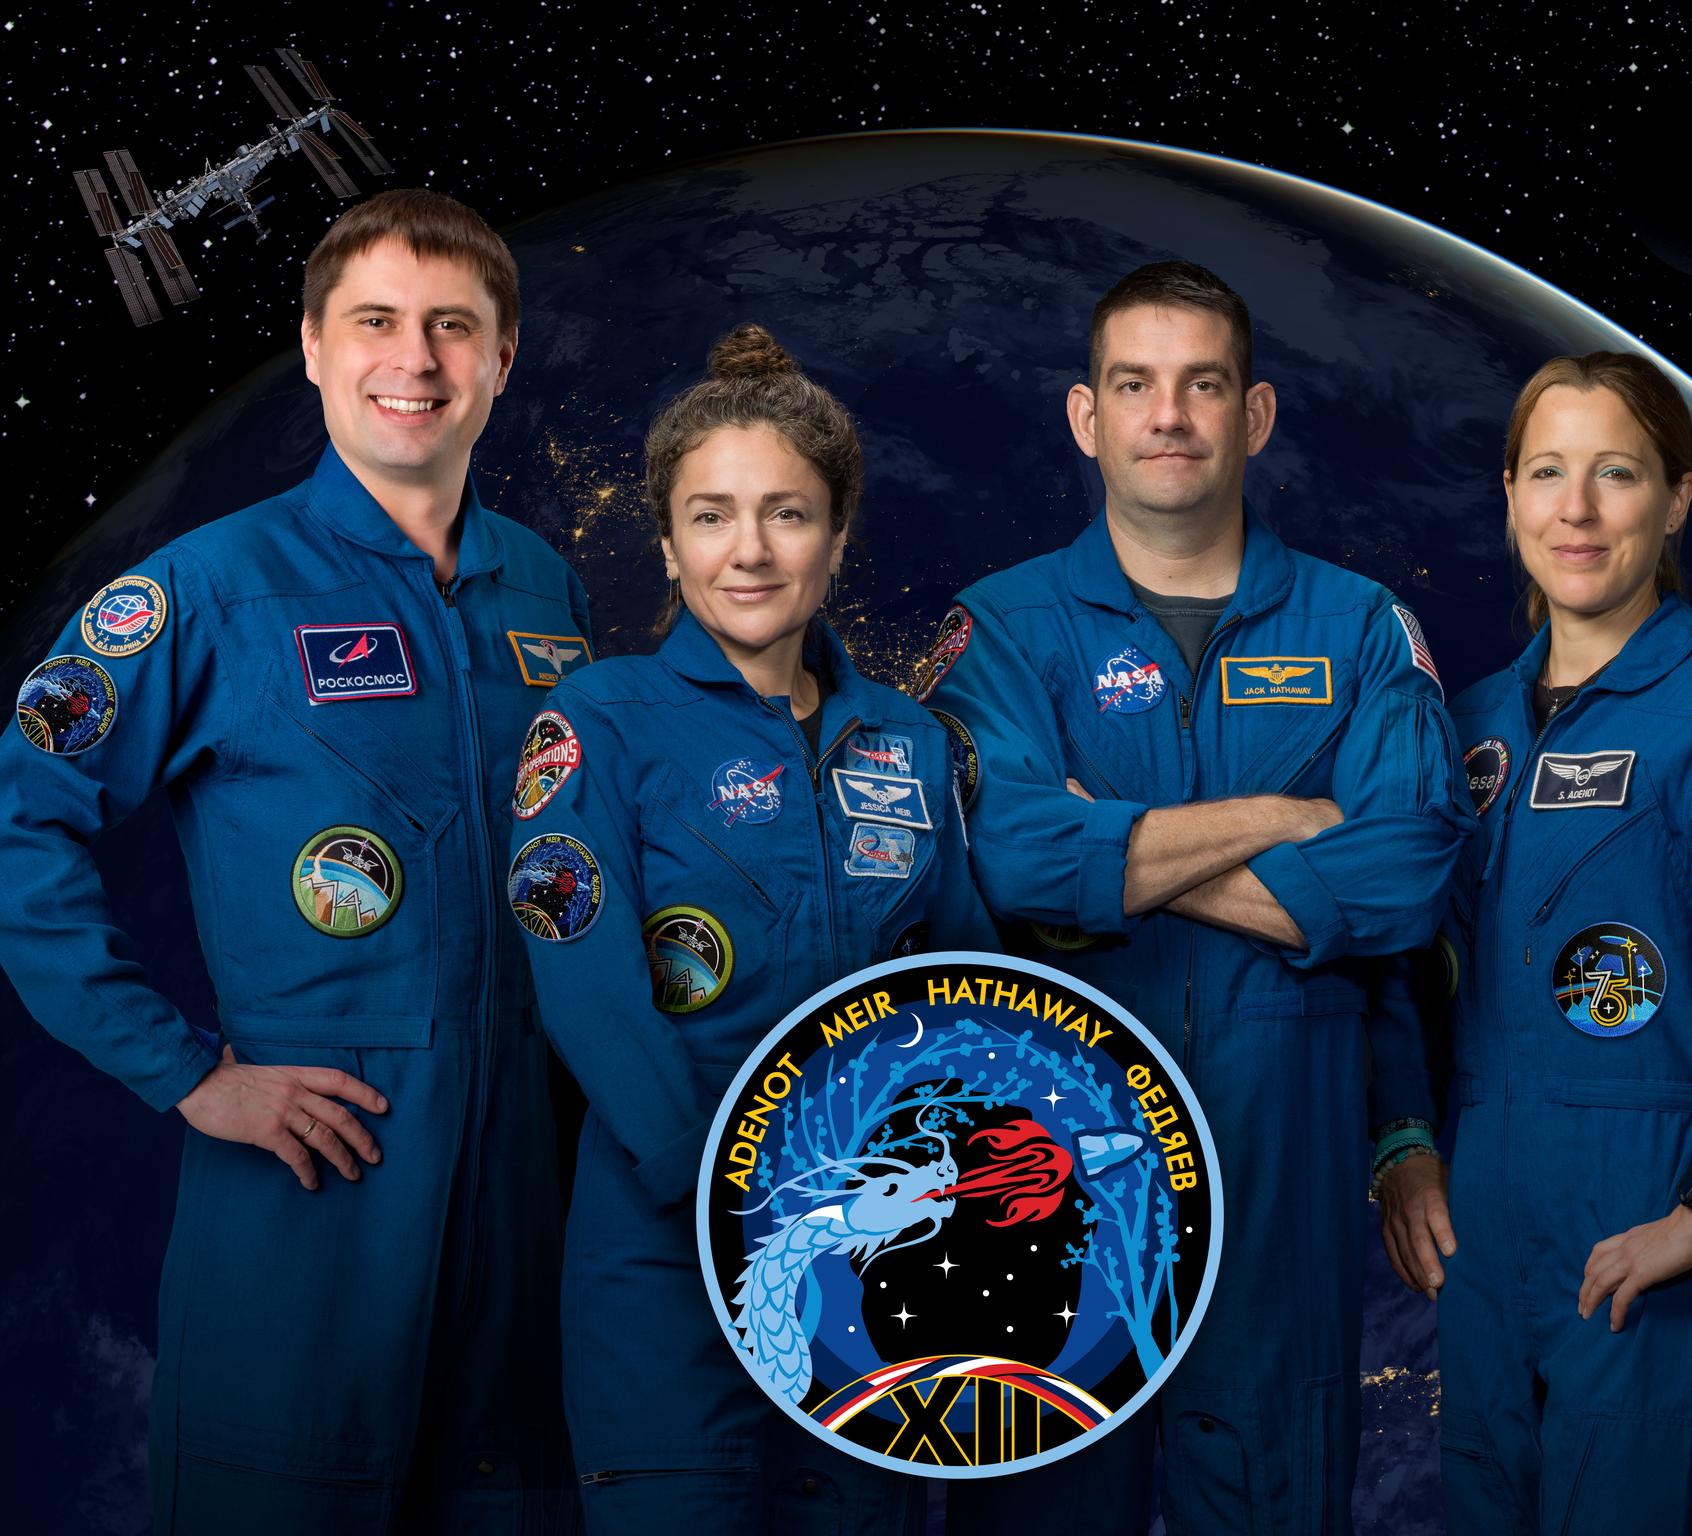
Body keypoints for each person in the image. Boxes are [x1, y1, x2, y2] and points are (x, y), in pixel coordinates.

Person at [0, 189, 590, 1533]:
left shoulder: (546, 592)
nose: (417, 362)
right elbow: (16, 823)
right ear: (315, 348)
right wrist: (186, 1070)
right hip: (315, 1191)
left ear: (504, 357)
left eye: (455, 327)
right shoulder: (205, 593)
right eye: (376, 322)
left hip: (534, 1196)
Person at [920, 261, 1476, 1533]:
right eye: (1135, 384)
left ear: (1256, 413)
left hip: (1285, 1159)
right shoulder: (1002, 628)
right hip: (1045, 1173)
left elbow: (1400, 879)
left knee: (1273, 1504)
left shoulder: (1358, 630)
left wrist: (1110, 855)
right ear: (1086, 416)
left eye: (1202, 384)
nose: (1168, 415)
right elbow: (1009, 856)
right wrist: (1294, 821)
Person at [1372, 351, 1692, 1533]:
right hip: (1484, 1223)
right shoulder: (1465, 728)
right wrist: (1403, 1137)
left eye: (1618, 473)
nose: (1579, 510)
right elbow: (1403, 960)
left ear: (1678, 499)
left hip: (1650, 1207)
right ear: (1508, 496)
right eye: (1548, 472)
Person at [508, 324, 994, 1534]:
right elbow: (583, 982)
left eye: (788, 513)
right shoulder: (598, 724)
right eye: (711, 516)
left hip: (877, 1258)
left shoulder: (911, 744)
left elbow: (968, 992)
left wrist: (955, 1193)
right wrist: (723, 1188)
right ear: (668, 548)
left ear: (837, 539)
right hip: (665, 1252)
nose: (750, 551)